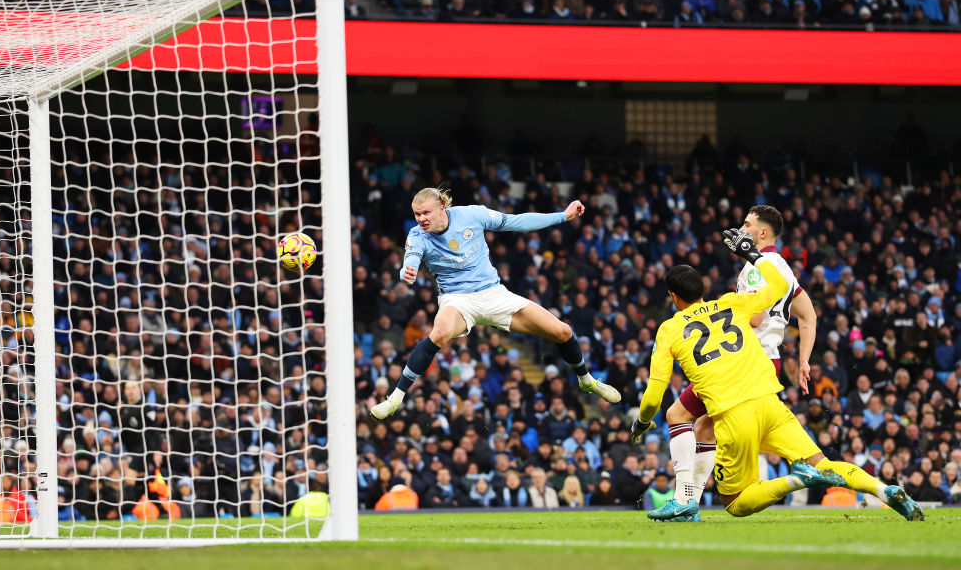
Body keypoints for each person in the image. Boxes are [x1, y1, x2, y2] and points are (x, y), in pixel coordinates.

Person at [631, 229, 924, 521]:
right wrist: (753, 255)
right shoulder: (733, 303)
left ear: (673, 297)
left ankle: (790, 481)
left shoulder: (668, 330)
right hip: (770, 403)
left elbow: (654, 395)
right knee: (823, 463)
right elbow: (779, 284)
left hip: (734, 415)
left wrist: (643, 422)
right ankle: (884, 490)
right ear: (702, 291)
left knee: (734, 502)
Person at [370, 187, 621, 419]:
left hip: (494, 295)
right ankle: (395, 398)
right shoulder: (417, 236)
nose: (421, 218)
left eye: (426, 212)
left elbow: (517, 222)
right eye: (417, 214)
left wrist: (563, 216)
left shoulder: (472, 215)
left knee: (563, 331)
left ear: (442, 209)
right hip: (458, 300)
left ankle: (586, 380)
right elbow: (410, 258)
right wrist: (407, 270)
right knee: (440, 332)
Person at [655, 205, 817, 519]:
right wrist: (805, 360)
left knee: (676, 414)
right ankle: (691, 505)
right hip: (770, 361)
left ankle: (686, 499)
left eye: (747, 224)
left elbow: (754, 318)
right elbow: (808, 317)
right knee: (703, 429)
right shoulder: (782, 267)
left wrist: (725, 312)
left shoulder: (755, 267)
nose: (740, 229)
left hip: (742, 364)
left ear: (763, 233)